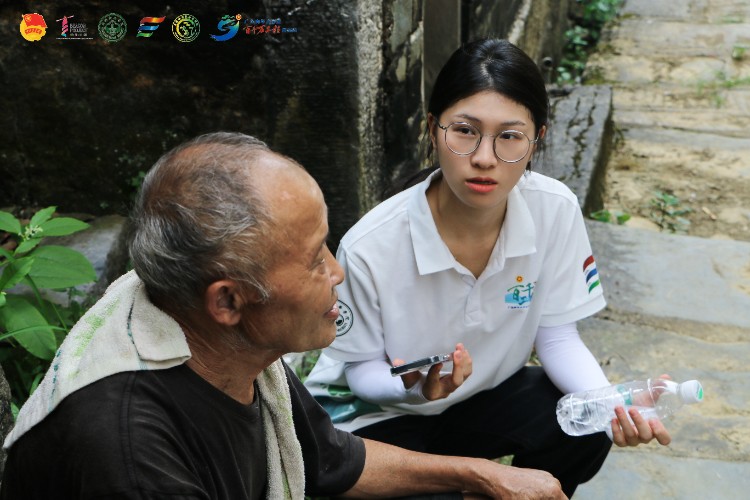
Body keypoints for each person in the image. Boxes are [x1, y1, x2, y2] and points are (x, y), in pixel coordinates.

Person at [0, 132, 568, 499]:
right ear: (228, 301)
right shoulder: (133, 453)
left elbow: (329, 458)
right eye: (315, 259)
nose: (337, 271)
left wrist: (481, 473)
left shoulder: (230, 345)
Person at [304, 39, 672, 497]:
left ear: (537, 139)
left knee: (584, 419)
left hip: (475, 400)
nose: (484, 157)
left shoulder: (554, 209)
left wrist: (612, 405)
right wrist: (416, 388)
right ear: (433, 129)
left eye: (510, 136)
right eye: (465, 131)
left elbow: (557, 337)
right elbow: (360, 373)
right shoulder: (370, 245)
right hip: (376, 420)